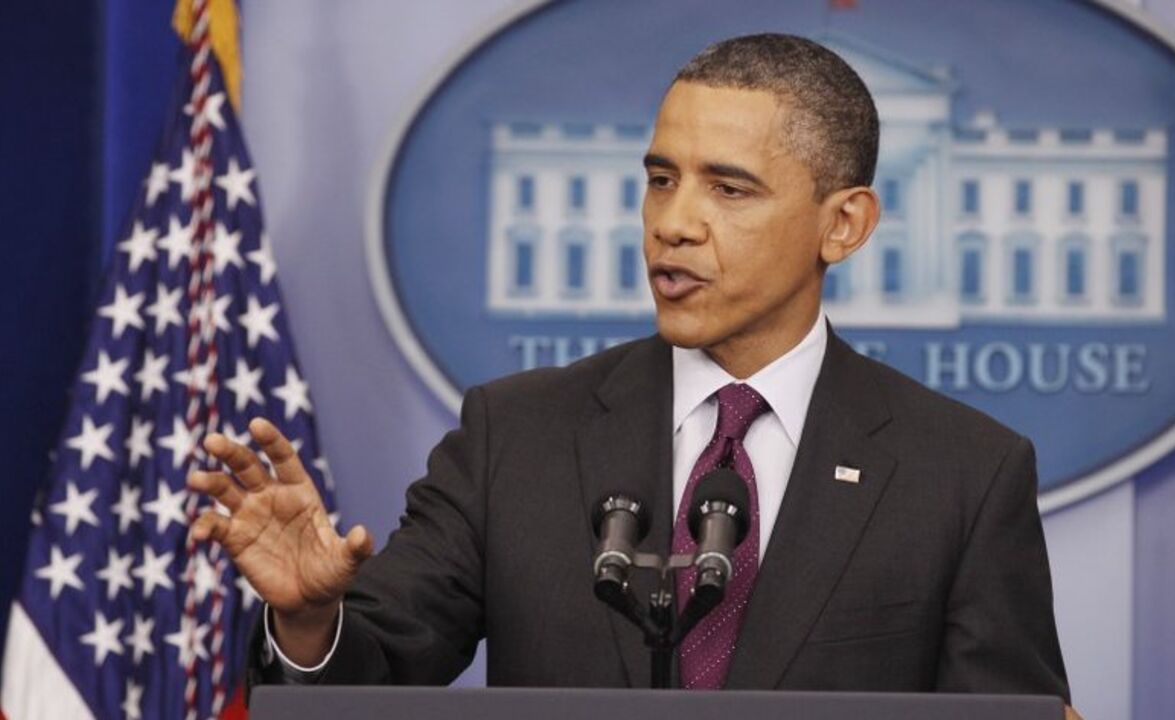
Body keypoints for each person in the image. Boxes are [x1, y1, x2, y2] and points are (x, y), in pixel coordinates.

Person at [189, 33, 1072, 703]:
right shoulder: (517, 435)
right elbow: (376, 668)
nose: (673, 223)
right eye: (660, 179)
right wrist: (309, 621)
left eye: (728, 189)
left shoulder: (961, 474)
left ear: (842, 225)